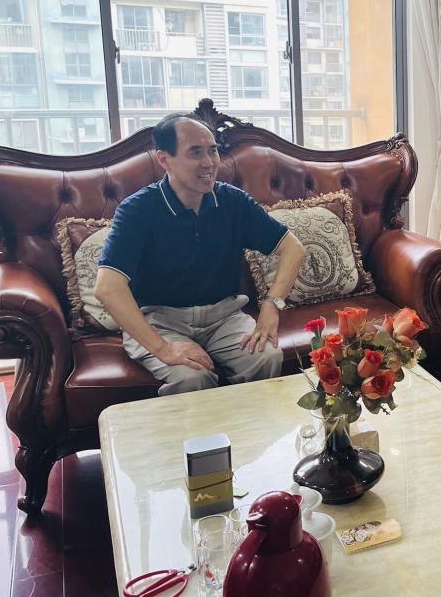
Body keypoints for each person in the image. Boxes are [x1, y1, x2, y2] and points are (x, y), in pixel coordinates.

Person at [95, 114, 306, 396]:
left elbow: (293, 248)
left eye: (213, 150)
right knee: (191, 379)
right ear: (164, 159)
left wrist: (271, 306)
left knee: (266, 356)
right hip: (160, 321)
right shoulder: (137, 210)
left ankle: (247, 424)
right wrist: (163, 349)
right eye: (195, 152)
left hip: (224, 317)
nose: (209, 163)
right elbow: (107, 288)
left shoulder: (232, 201)